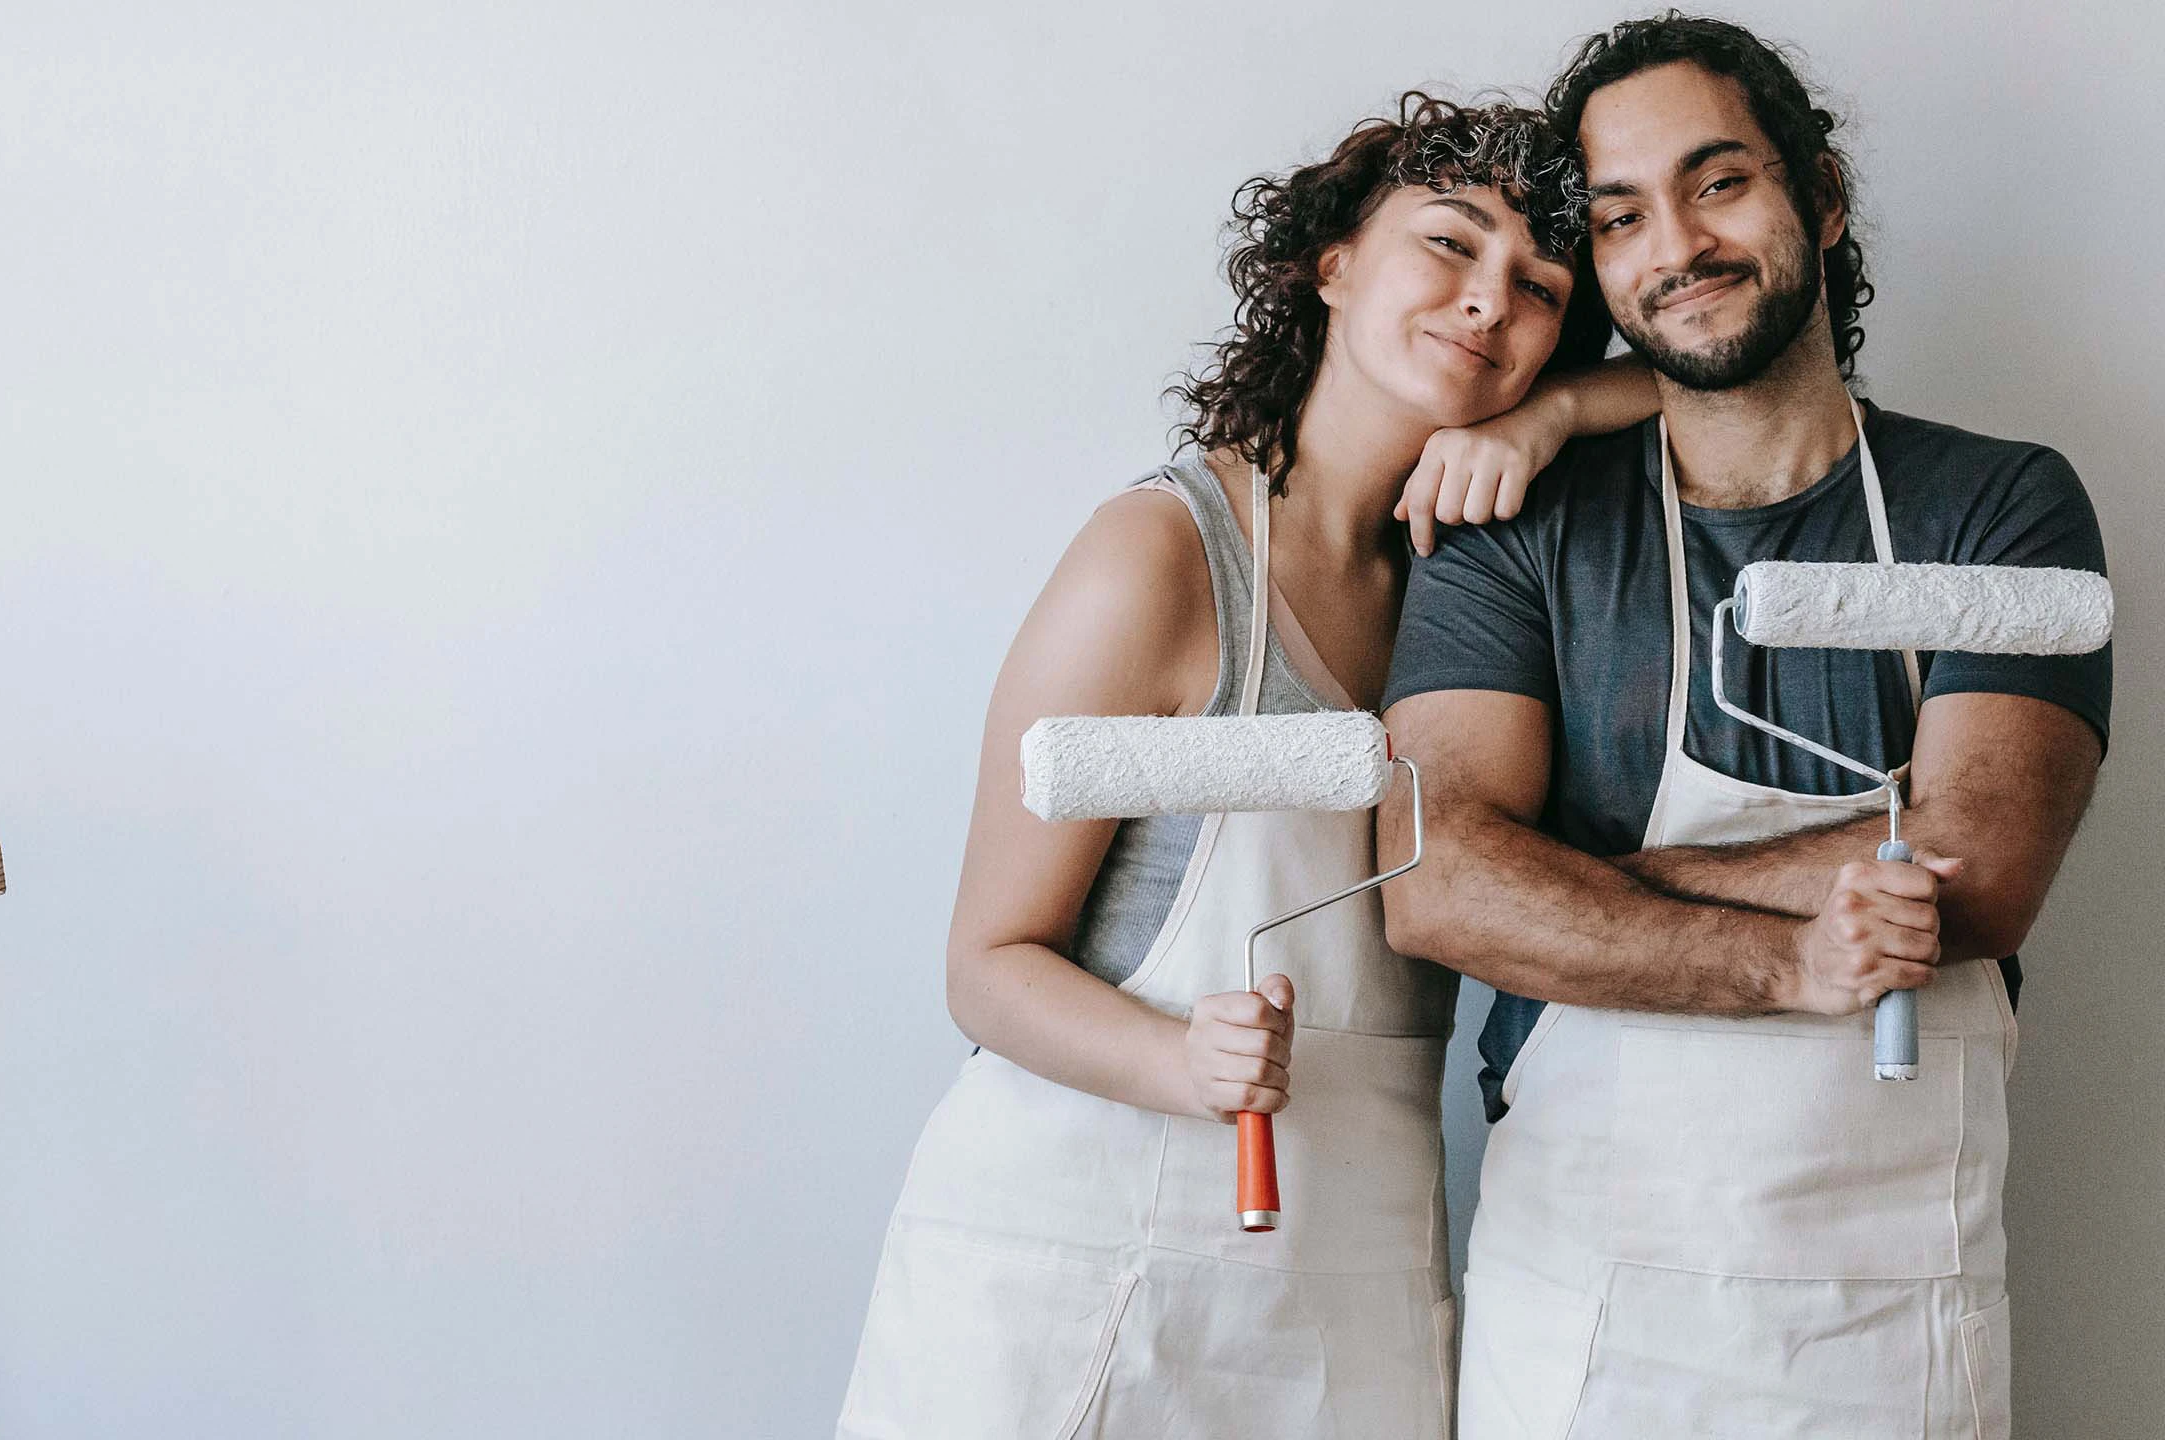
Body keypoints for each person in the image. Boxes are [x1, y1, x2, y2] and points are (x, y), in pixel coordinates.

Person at [836, 94, 1659, 1439]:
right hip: (1069, 1262)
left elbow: (1725, 377)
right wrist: (1180, 1065)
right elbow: (984, 965)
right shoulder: (1161, 557)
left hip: (1355, 1279)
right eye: (1448, 246)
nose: (1486, 304)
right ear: (1330, 262)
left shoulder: (1482, 591)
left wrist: (1549, 420)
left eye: (1540, 289)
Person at [1375, 17, 2109, 1439]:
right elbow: (1433, 878)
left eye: (1720, 183)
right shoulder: (1516, 531)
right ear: (1595, 264)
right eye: (1622, 214)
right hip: (1582, 1314)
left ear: (1819, 198)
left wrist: (1585, 883)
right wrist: (1797, 959)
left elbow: (1979, 872)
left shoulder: (2002, 507)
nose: (1680, 244)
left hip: (1896, 1319)